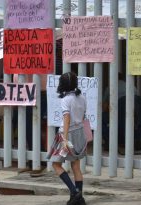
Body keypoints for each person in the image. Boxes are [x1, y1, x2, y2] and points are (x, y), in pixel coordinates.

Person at [48, 72, 87, 205]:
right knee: (76, 166)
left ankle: (75, 193)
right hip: (79, 132)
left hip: (67, 134)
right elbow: (82, 117)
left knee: (55, 164)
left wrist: (64, 139)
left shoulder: (66, 100)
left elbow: (66, 118)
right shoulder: (82, 97)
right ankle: (78, 197)